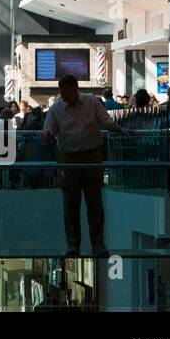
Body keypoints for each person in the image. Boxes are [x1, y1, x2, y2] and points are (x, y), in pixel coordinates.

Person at [41, 74, 127, 257]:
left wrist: (120, 129)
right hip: (70, 158)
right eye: (62, 93)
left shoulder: (91, 102)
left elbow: (106, 121)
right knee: (71, 204)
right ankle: (74, 245)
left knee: (93, 202)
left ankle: (96, 244)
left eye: (66, 93)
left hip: (90, 156)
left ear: (75, 89)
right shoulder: (56, 109)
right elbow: (48, 130)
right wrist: (47, 135)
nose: (64, 96)